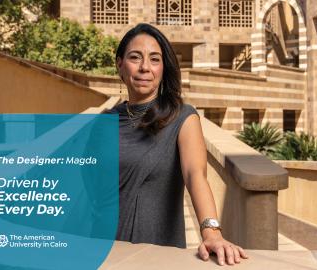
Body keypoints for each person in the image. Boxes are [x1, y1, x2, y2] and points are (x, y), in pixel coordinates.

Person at [107, 23, 249, 266]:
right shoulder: (104, 122)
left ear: (163, 68)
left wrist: (211, 232)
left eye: (154, 59)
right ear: (120, 64)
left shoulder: (182, 117)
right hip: (106, 251)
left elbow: (196, 175)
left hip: (158, 255)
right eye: (134, 57)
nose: (144, 68)